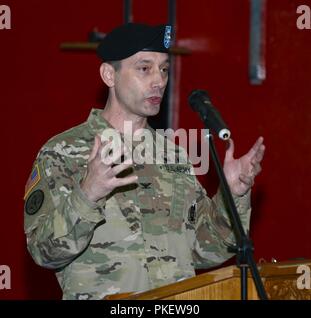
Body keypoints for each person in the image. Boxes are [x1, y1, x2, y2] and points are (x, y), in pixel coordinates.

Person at [24, 23, 265, 300]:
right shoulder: (62, 152)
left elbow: (204, 248)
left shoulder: (174, 156)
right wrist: (87, 194)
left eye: (163, 69)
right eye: (144, 68)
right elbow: (44, 252)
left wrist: (232, 195)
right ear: (108, 75)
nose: (159, 81)